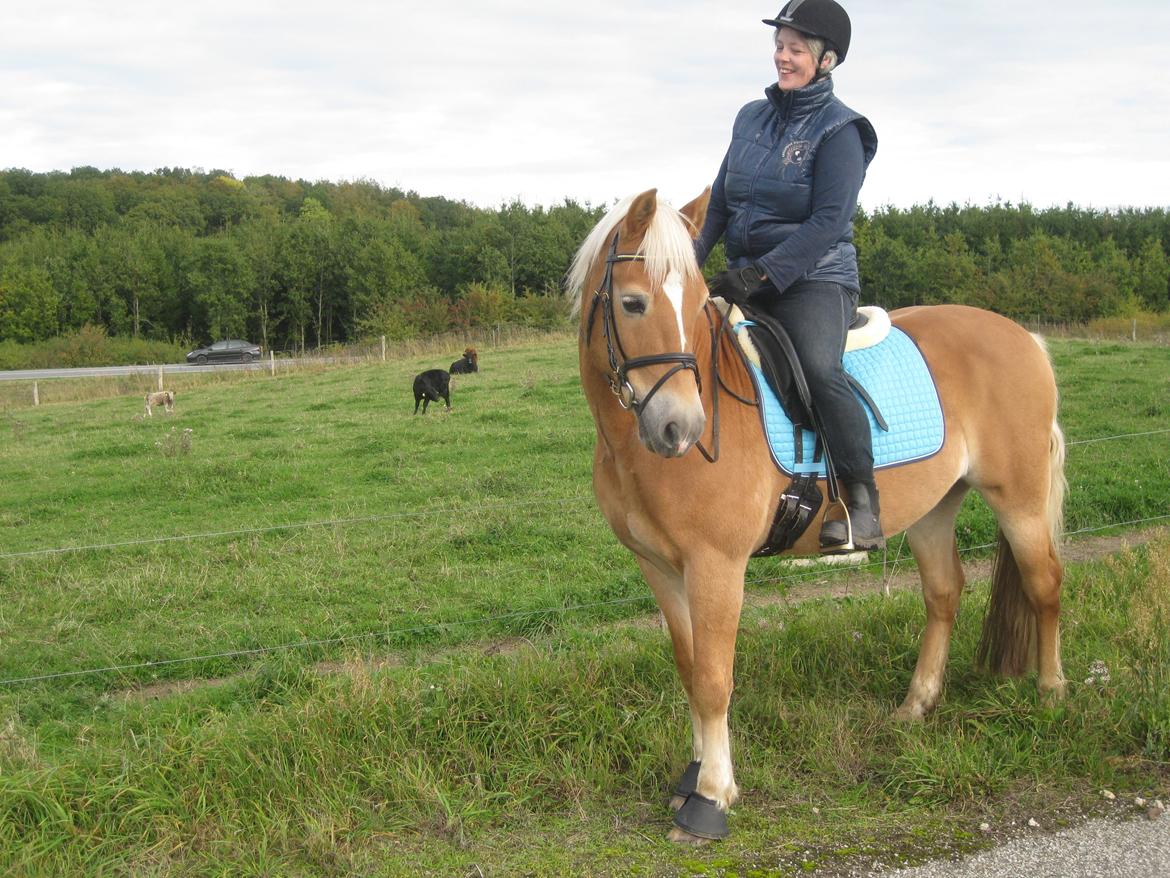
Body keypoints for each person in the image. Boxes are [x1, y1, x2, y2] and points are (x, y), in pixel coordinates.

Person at [694, 0, 882, 551]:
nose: (783, 56)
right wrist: (690, 263)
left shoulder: (842, 131)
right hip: (744, 275)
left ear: (826, 60)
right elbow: (721, 206)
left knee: (820, 368)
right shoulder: (749, 117)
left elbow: (828, 224)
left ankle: (861, 502)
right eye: (780, 46)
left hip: (815, 280)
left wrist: (760, 276)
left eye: (796, 49)